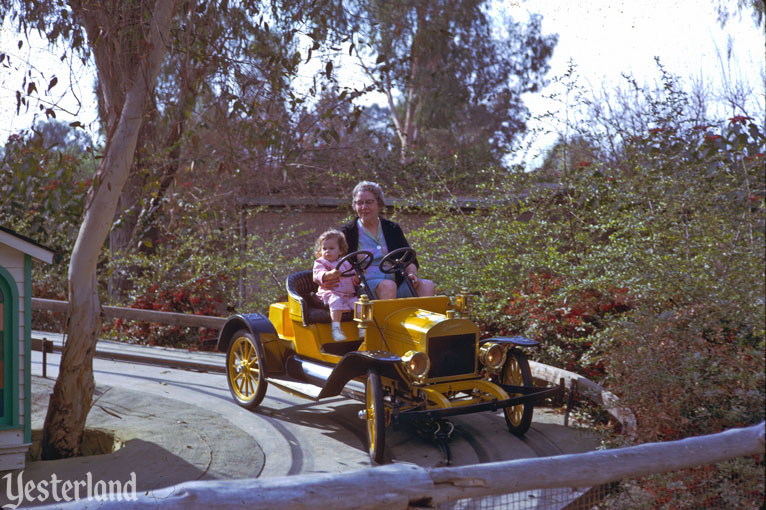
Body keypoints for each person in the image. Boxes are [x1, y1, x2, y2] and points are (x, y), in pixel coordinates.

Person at [334, 180, 435, 300]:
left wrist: (411, 274)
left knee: (427, 285)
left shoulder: (392, 228)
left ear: (379, 204)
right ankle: (386, 319)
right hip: (364, 289)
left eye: (369, 202)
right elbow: (332, 260)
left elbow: (409, 260)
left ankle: (422, 319)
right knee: (388, 286)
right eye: (359, 203)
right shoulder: (346, 232)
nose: (364, 207)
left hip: (395, 283)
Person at [312, 229, 359, 341]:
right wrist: (330, 274)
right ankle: (336, 329)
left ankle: (362, 328)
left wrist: (357, 276)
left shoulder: (346, 263)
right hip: (329, 294)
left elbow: (353, 280)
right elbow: (319, 275)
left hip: (348, 296)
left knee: (360, 304)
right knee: (336, 300)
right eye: (324, 248)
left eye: (331, 248)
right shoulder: (321, 262)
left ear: (341, 251)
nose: (327, 251)